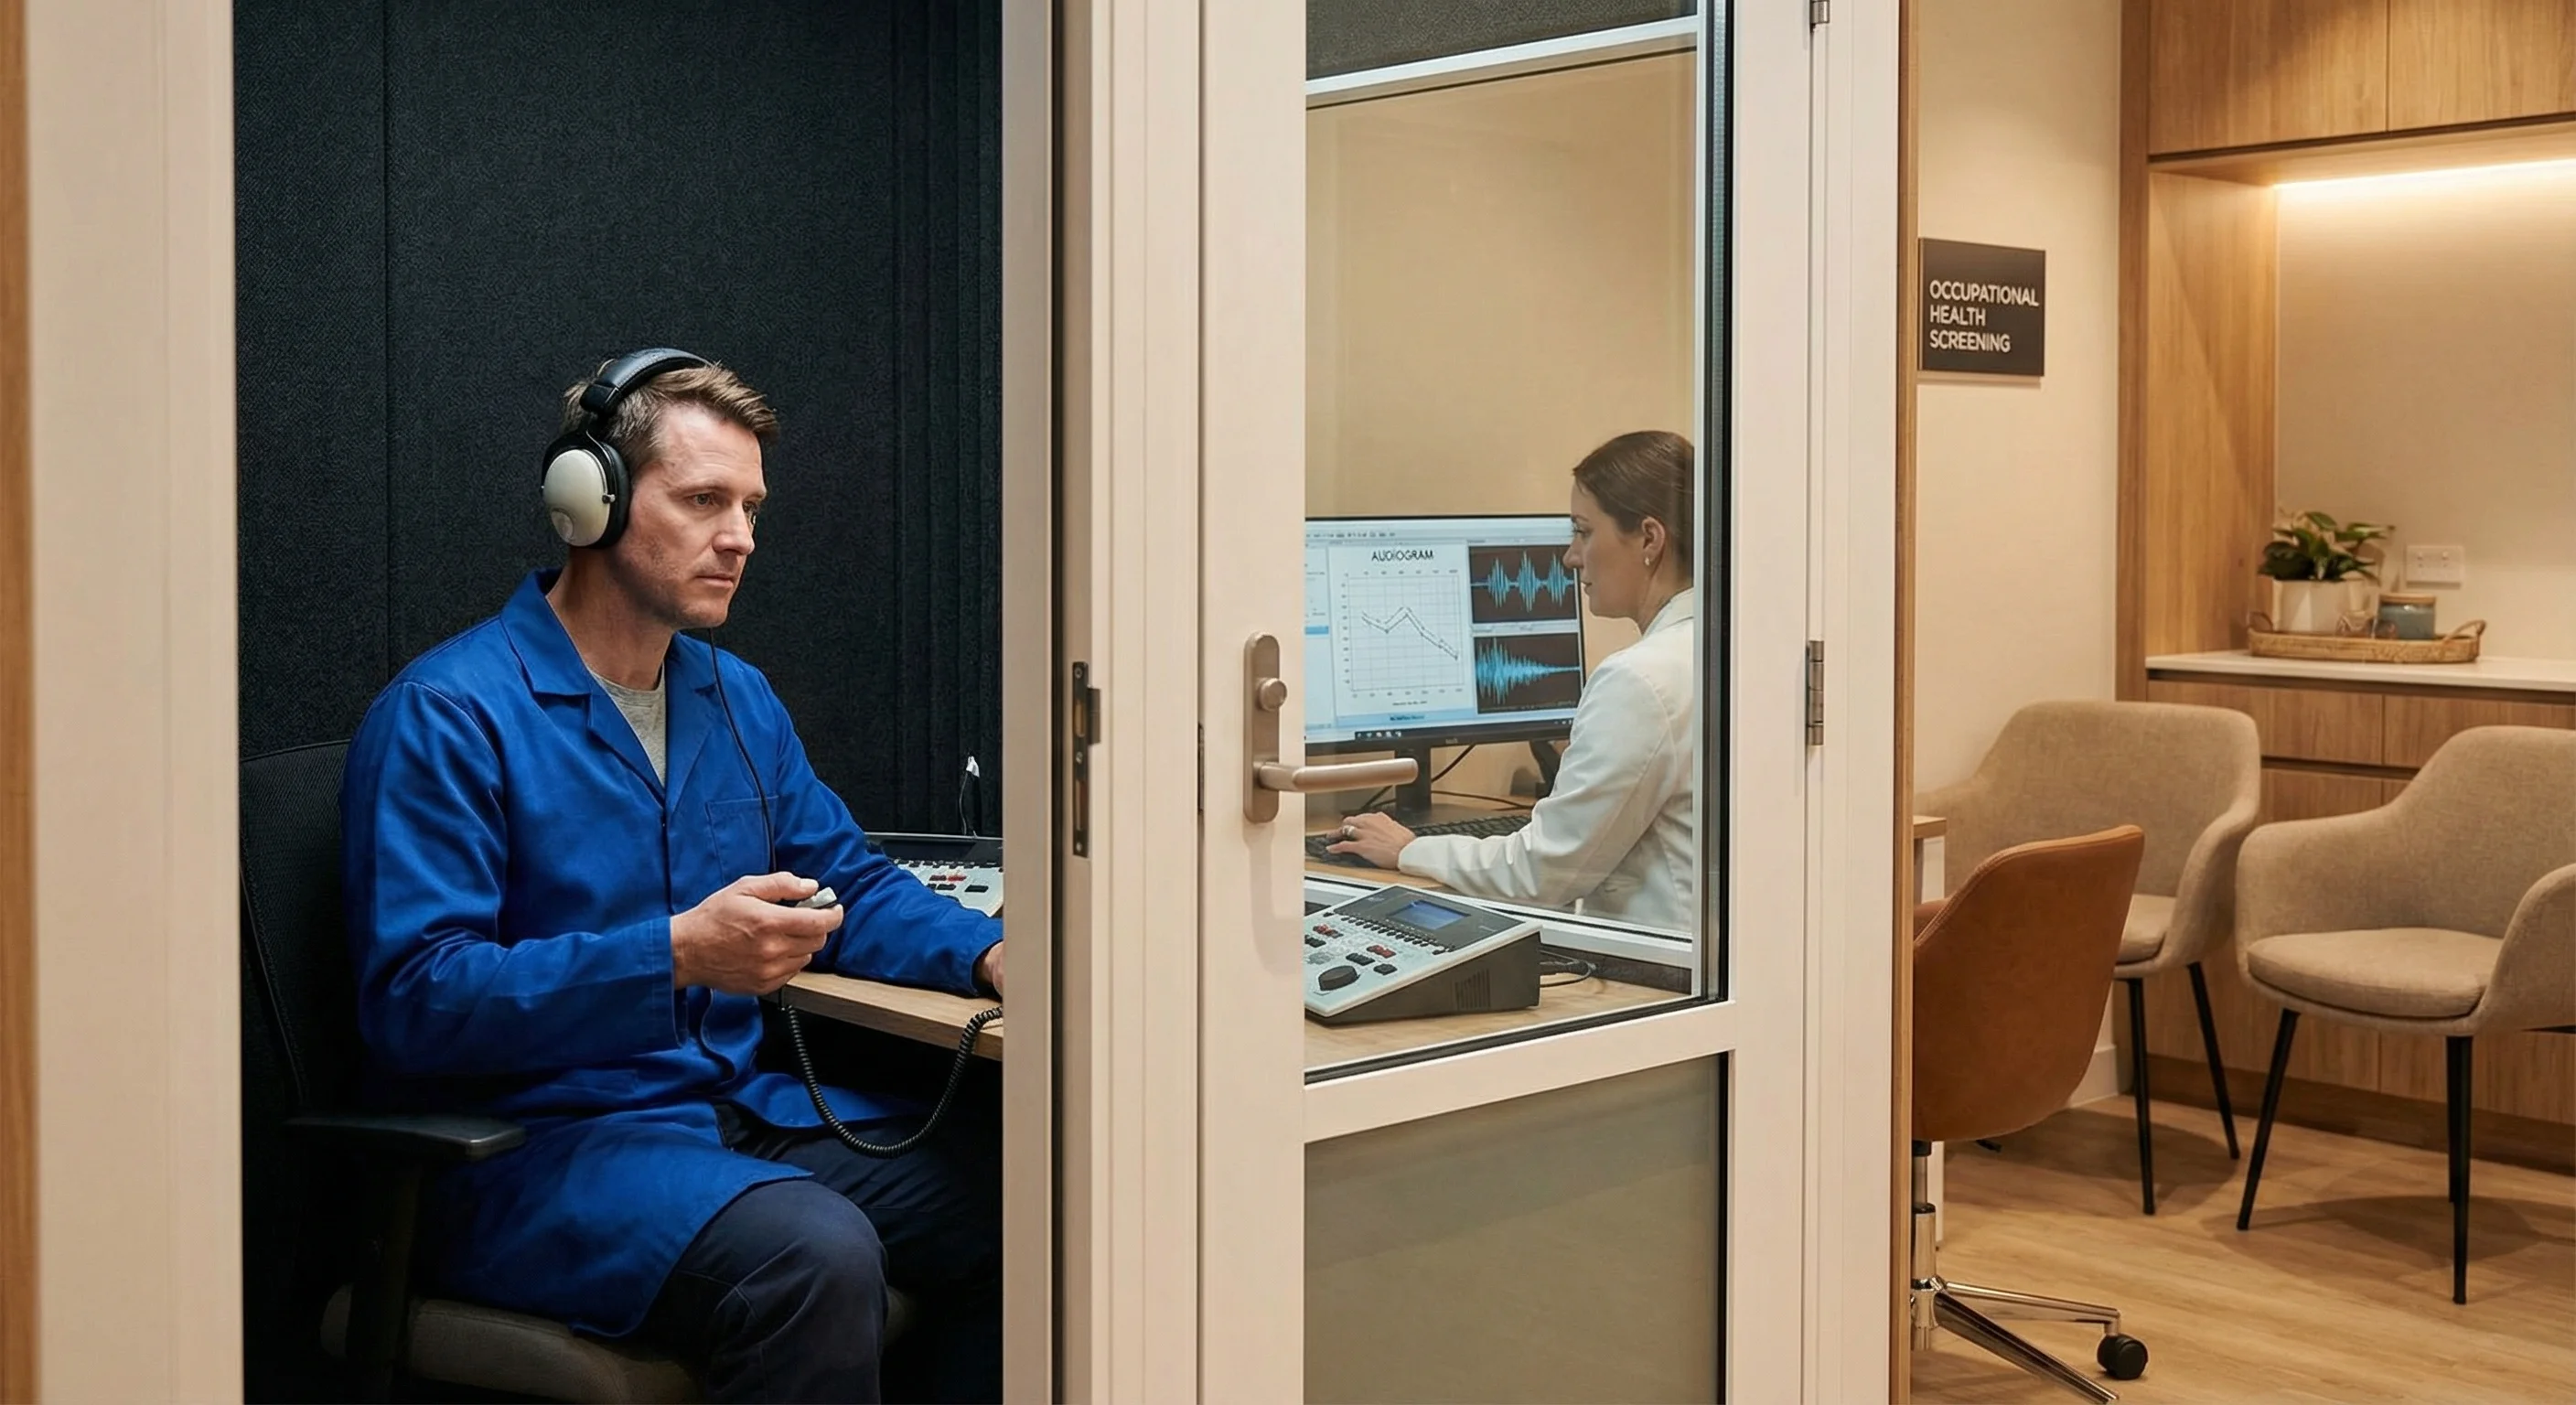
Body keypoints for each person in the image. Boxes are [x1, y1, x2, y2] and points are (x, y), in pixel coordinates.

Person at [341, 349, 1004, 1403]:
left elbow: (847, 884)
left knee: (1030, 1188)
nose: (737, 537)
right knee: (812, 1255)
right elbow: (419, 1000)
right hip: (531, 1154)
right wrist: (679, 955)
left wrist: (991, 954)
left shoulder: (734, 698)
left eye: (748, 505)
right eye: (702, 500)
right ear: (586, 502)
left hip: (723, 1112)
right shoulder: (450, 714)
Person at [1328, 430, 1698, 932]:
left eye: (1584, 532)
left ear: (1650, 539)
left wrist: (1410, 849)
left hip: (1661, 970)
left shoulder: (1641, 680)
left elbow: (1543, 872)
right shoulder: (1721, 651)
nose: (1571, 556)